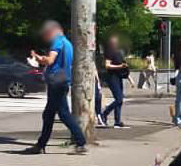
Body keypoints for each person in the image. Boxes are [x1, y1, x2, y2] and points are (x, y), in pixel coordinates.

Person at [25, 20, 87, 155]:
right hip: (62, 81)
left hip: (56, 83)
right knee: (48, 115)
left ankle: (81, 142)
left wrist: (37, 58)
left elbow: (50, 60)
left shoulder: (57, 42)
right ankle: (40, 145)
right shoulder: (68, 43)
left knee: (64, 114)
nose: (45, 36)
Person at [100, 35, 129, 128]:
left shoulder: (119, 53)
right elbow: (107, 65)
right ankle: (104, 113)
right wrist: (120, 66)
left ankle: (117, 121)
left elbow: (124, 65)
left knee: (120, 100)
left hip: (119, 77)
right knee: (119, 99)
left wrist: (130, 78)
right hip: (112, 77)